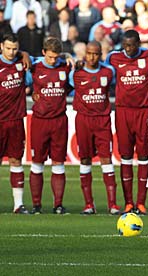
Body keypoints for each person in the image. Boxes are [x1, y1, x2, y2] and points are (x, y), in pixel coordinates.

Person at [105, 30, 148, 215]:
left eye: (132, 45)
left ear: (138, 43)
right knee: (125, 157)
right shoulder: (114, 58)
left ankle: (141, 203)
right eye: (126, 45)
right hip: (123, 112)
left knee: (144, 157)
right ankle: (128, 202)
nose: (129, 49)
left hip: (144, 113)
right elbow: (96, 67)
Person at [69, 41, 120, 215]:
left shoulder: (108, 72)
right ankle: (88, 205)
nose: (92, 57)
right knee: (85, 160)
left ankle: (113, 205)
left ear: (100, 55)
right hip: (83, 120)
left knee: (107, 160)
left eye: (96, 54)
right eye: (89, 53)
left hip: (102, 121)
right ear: (85, 54)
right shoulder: (76, 73)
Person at [28, 37, 72, 214]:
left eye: (56, 57)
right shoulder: (34, 67)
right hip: (39, 121)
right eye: (50, 57)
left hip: (59, 121)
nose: (53, 61)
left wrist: (69, 56)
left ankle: (58, 205)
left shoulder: (66, 66)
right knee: (37, 162)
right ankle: (36, 205)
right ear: (43, 52)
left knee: (58, 163)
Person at [0, 33, 31, 214]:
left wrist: (25, 54)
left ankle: (18, 205)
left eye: (15, 49)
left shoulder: (22, 62)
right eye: (8, 48)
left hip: (16, 120)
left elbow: (49, 57)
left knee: (16, 160)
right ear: (1, 46)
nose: (11, 52)